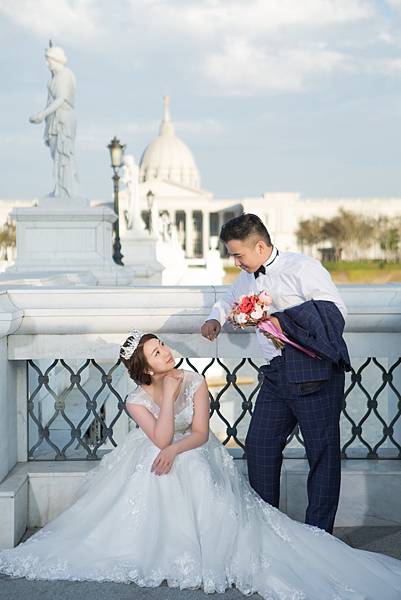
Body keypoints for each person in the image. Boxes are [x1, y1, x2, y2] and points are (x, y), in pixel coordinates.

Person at [0, 330, 401, 598]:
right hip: (155, 452)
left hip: (194, 449)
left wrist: (176, 440)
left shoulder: (194, 380)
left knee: (185, 464)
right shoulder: (136, 399)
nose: (166, 352)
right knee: (157, 468)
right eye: (157, 353)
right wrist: (169, 400)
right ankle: (161, 542)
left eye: (163, 346)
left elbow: (200, 434)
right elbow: (159, 438)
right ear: (146, 368)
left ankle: (201, 540)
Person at [201, 213, 350, 534]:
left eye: (238, 255)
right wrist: (216, 318)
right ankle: (267, 530)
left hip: (315, 374)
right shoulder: (246, 277)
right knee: (259, 448)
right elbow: (228, 300)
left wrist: (282, 322)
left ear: (259, 246)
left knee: (322, 456)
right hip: (275, 375)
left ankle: (319, 536)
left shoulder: (303, 268)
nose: (235, 262)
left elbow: (335, 312)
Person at [29, 45, 78, 201]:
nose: (47, 64)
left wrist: (42, 115)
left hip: (63, 119)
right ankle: (60, 189)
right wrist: (42, 118)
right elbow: (49, 102)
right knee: (56, 155)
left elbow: (61, 99)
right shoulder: (52, 80)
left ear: (56, 60)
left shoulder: (66, 75)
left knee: (64, 154)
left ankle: (67, 191)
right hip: (54, 121)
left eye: (48, 60)